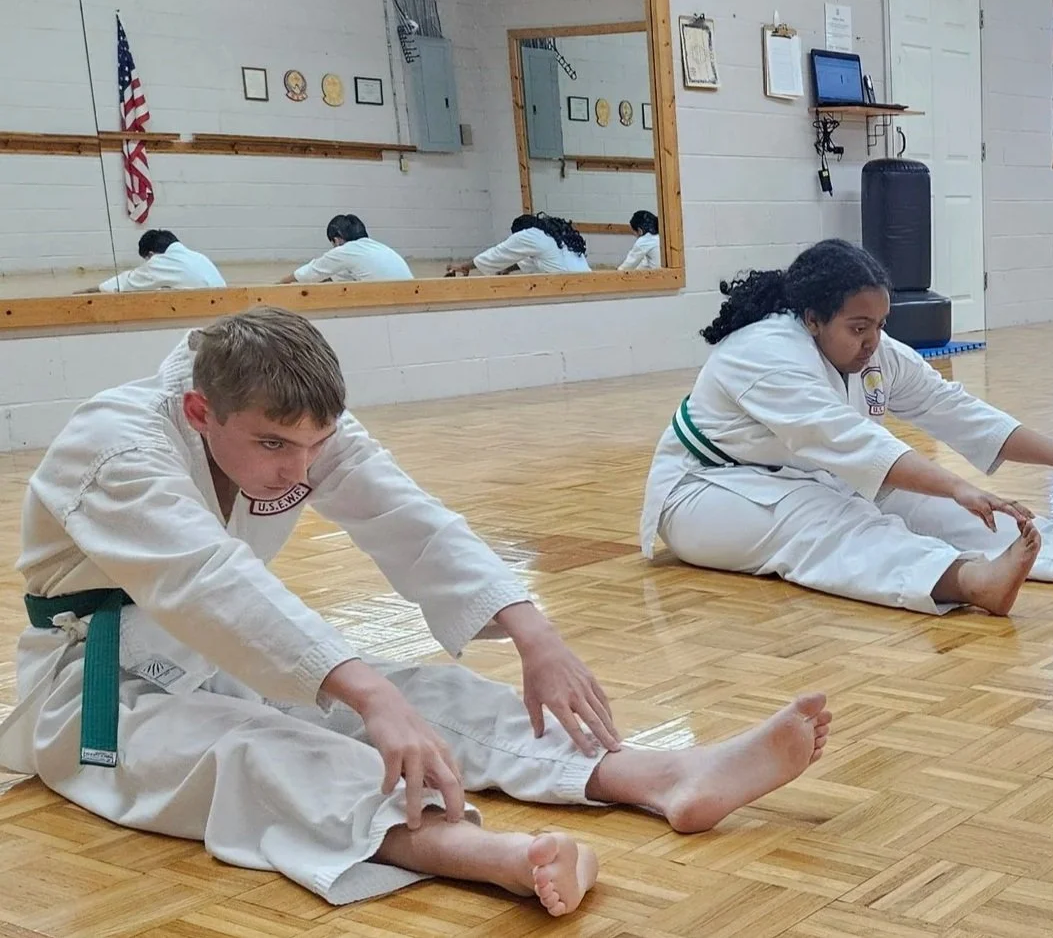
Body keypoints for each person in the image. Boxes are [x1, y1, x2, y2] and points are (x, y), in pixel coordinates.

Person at [0, 307, 829, 915]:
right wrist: (366, 697)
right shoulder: (115, 447)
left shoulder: (293, 419)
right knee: (260, 746)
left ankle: (656, 775)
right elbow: (210, 579)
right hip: (99, 689)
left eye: (314, 446)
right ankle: (483, 852)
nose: (300, 466)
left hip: (214, 655)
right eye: (275, 447)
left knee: (433, 696)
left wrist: (531, 630)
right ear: (198, 412)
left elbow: (410, 518)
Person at [639, 239, 1053, 618]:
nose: (872, 341)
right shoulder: (764, 353)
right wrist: (957, 482)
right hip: (704, 493)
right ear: (813, 317)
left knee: (912, 499)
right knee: (824, 515)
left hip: (801, 476)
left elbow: (953, 407)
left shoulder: (874, 352)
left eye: (880, 325)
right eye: (858, 328)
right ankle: (968, 580)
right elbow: (850, 440)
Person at [282, 215, 413, 284]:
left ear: (337, 239)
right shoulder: (378, 247)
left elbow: (311, 271)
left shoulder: (345, 250)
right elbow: (332, 275)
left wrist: (281, 283)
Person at [88, 229, 226, 294]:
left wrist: (87, 291)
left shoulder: (159, 262)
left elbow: (125, 283)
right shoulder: (199, 257)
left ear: (151, 255)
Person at [449, 215, 590, 276]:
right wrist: (507, 269)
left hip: (570, 285)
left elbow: (498, 254)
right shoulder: (555, 235)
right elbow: (530, 261)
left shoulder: (531, 234)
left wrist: (465, 266)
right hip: (589, 280)